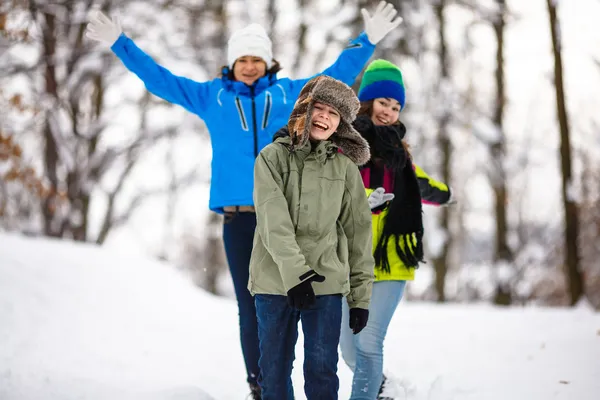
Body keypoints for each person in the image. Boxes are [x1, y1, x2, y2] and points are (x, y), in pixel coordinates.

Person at [85, 4, 401, 398]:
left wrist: (366, 41)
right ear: (232, 63)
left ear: (268, 62)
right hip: (241, 220)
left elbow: (334, 77)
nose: (249, 66)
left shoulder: (289, 94)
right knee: (252, 305)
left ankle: (308, 382)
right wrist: (121, 43)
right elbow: (160, 80)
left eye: (257, 59)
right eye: (242, 59)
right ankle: (260, 383)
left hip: (291, 217)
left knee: (306, 297)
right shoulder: (211, 97)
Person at [250, 75, 375, 400]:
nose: (324, 117)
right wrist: (295, 276)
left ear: (341, 125)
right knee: (274, 372)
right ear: (303, 110)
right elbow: (272, 221)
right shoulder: (271, 158)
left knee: (322, 372)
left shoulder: (346, 169)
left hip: (326, 286)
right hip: (274, 282)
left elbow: (359, 232)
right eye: (319, 108)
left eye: (333, 114)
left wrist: (360, 297)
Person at [339, 59, 453, 400]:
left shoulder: (399, 155)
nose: (389, 111)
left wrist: (448, 195)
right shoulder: (343, 145)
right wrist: (362, 202)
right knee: (348, 349)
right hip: (350, 260)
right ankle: (381, 389)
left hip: (391, 262)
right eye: (383, 102)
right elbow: (331, 190)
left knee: (370, 342)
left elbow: (423, 185)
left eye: (396, 106)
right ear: (367, 101)